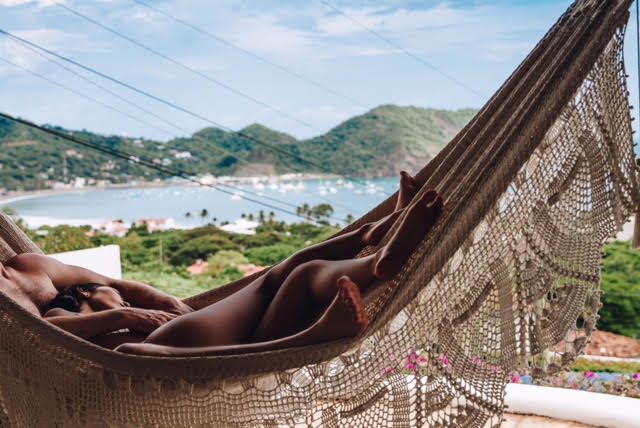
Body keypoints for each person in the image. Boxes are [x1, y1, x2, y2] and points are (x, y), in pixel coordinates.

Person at [3, 172, 442, 356]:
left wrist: (163, 298)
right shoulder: (26, 304)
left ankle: (379, 247)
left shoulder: (28, 264)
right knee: (283, 278)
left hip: (184, 330)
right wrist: (121, 312)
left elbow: (113, 281)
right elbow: (34, 337)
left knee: (297, 276)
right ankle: (318, 329)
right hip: (153, 352)